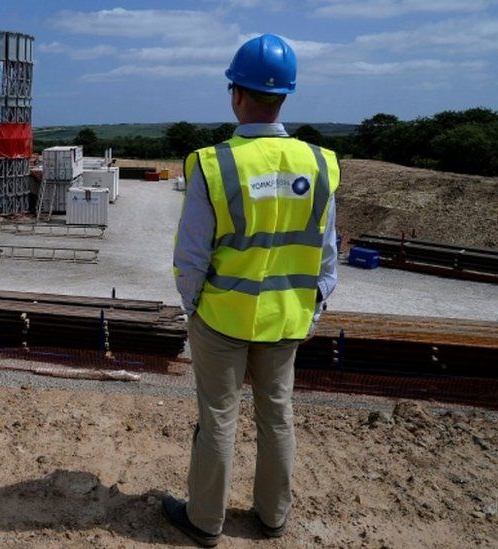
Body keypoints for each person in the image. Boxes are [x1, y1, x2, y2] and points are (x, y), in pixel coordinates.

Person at [163, 33, 339, 547]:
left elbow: (191, 257)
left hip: (221, 318)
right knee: (277, 415)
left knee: (219, 418)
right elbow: (327, 255)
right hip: (286, 319)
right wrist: (314, 306)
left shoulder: (213, 164)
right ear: (285, 96)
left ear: (235, 93)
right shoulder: (322, 163)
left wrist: (193, 307)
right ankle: (271, 516)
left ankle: (205, 521)